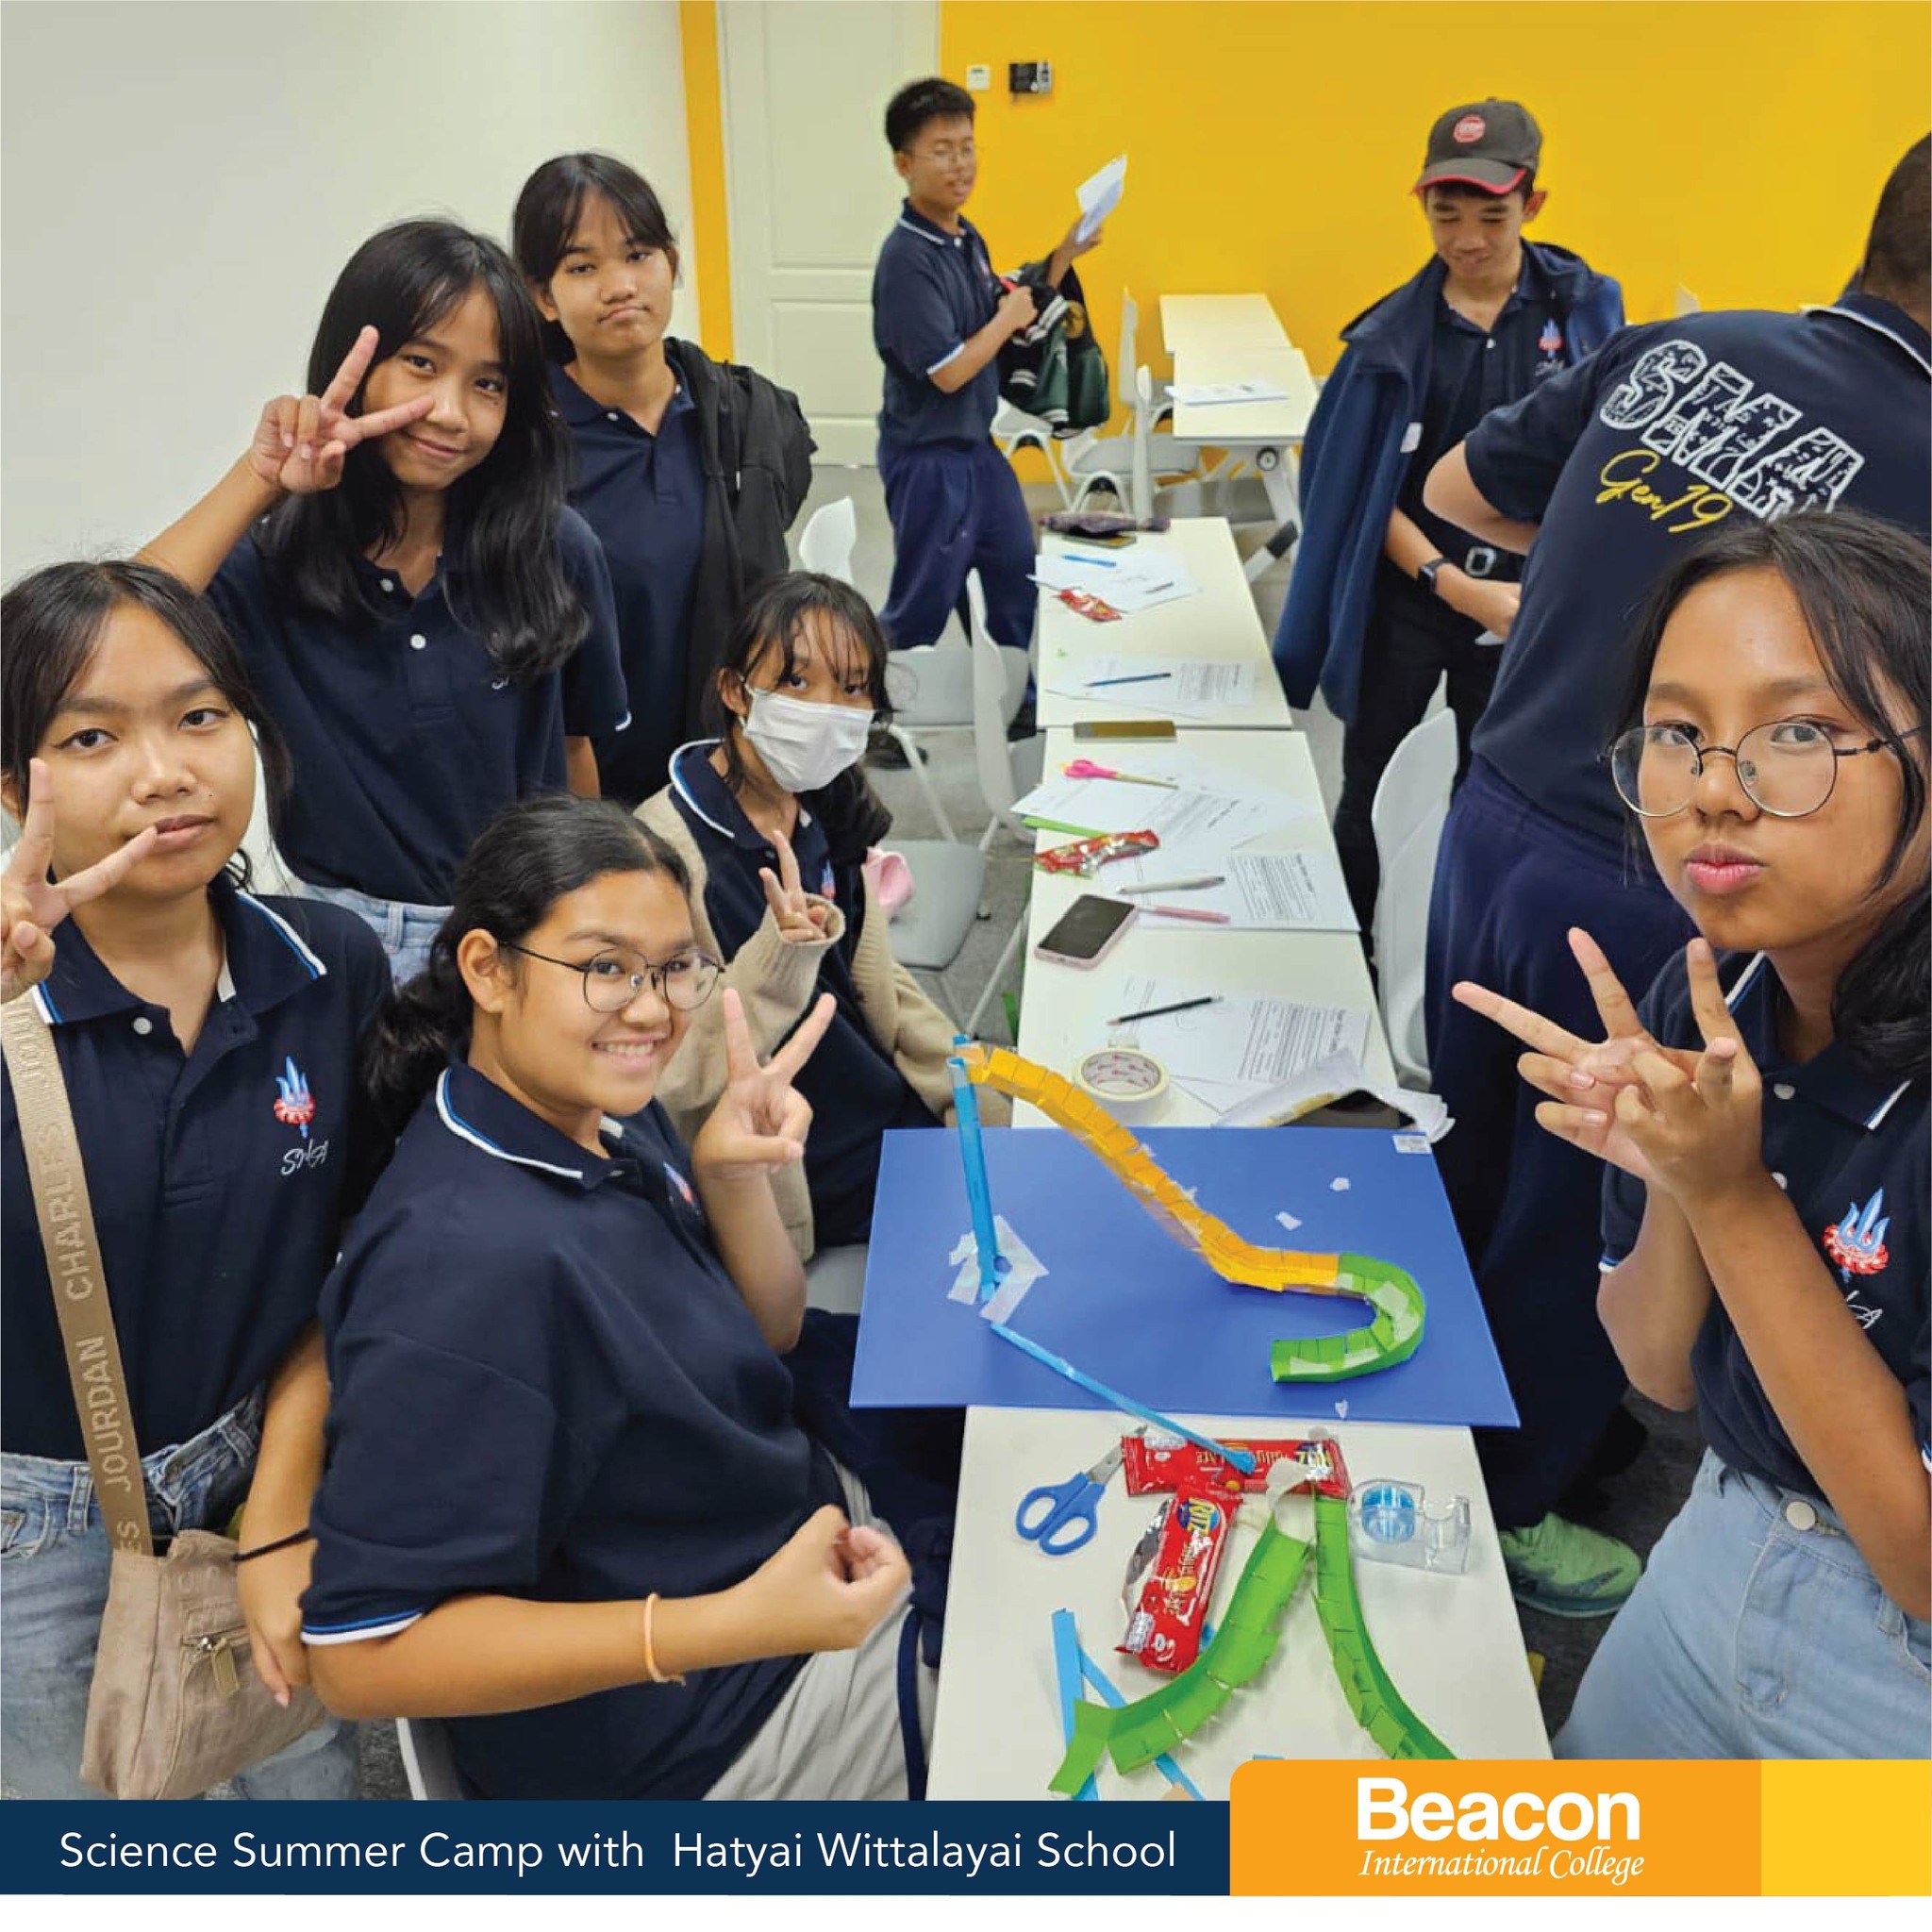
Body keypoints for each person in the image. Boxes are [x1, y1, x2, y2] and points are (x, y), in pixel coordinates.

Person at [1415, 135, 1932, 1611]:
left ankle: (1406, 1426)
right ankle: (1499, 1511)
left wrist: (1615, 571)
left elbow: (1457, 489)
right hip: (1684, 883)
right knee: (1602, 1189)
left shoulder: (1682, 346)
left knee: (1475, 1142)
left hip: (1500, 810)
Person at [299, 794, 930, 1800]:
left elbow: (764, 1332)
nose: (651, 1009)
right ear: (487, 969)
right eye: (604, 967)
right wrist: (734, 1625)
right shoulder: (464, 1269)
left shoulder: (603, 1114)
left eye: (674, 967)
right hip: (717, 1718)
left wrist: (728, 1178)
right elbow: (359, 1656)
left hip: (782, 1531)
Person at [1456, 510, 1928, 1755]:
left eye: (1798, 732)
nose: (1714, 789)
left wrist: (1730, 1196)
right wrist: (1678, 1176)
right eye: (1676, 734)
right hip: (1721, 1533)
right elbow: (1659, 1371)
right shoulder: (1712, 995)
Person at [0, 561, 391, 1798]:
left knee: (297, 1785)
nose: (165, 770)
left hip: (255, 1473)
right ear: (13, 787)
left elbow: (353, 1258)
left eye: (200, 715)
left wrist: (282, 1500)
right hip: (30, 1537)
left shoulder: (326, 965)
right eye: (93, 737)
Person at [140, 220, 628, 981]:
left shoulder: (557, 548)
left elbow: (574, 755)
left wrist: (593, 916)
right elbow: (110, 633)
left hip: (523, 934)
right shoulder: (268, 565)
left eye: (488, 384)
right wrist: (258, 478)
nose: (450, 412)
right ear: (355, 362)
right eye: (421, 364)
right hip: (336, 940)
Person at [1271, 99, 1624, 940]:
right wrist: (1452, 584)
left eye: (1491, 217)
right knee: (1371, 783)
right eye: (1446, 214)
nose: (1468, 238)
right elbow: (1364, 498)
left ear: (1533, 204)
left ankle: (1466, 955)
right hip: (1412, 595)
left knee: (1501, 796)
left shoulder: (1582, 314)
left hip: (1531, 602)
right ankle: (1351, 950)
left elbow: (1605, 460)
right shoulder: (1391, 341)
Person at [638, 572, 1007, 1264]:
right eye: (797, 682)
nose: (827, 711)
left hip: (883, 1104)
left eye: (854, 687)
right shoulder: (663, 854)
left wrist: (968, 1077)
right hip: (802, 1159)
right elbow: (667, 1074)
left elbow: (876, 980)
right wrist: (778, 957)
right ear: (734, 691)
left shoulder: (820, 805)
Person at [511, 153, 816, 808]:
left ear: (672, 264)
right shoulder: (526, 448)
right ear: (543, 297)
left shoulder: (746, 416)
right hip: (593, 791)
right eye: (582, 267)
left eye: (638, 254)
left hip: (732, 771)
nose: (619, 285)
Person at [870, 77, 1101, 697]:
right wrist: (1006, 320)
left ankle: (1015, 694)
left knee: (1013, 572)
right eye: (942, 150)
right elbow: (949, 370)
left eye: (968, 147)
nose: (960, 164)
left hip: (976, 449)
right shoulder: (906, 262)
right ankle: (872, 712)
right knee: (922, 602)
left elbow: (998, 302)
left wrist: (1062, 257)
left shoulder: (963, 237)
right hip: (927, 459)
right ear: (904, 164)